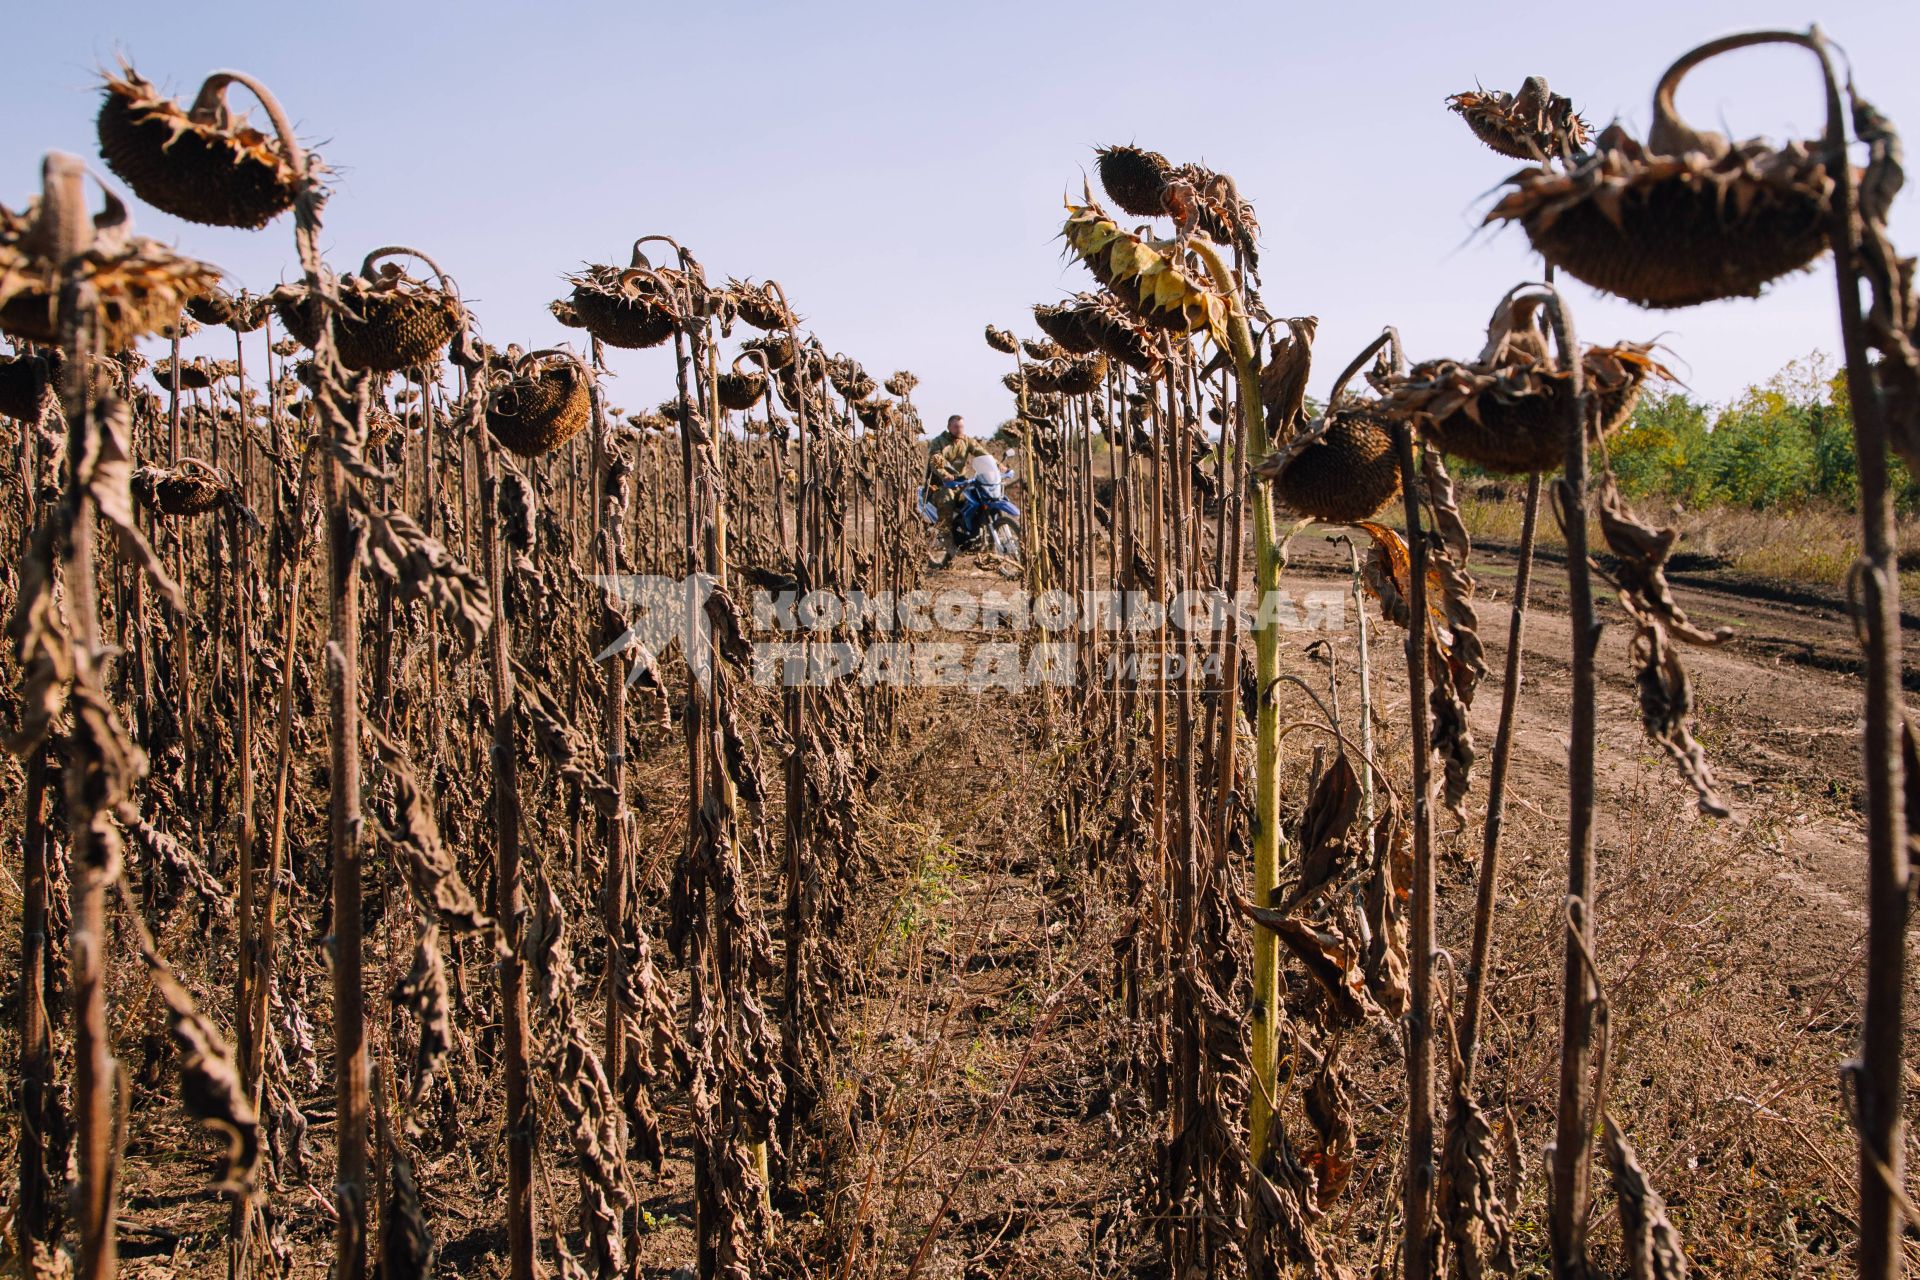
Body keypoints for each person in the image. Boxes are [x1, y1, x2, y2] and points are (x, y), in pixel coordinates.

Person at [925, 413, 982, 482]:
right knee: (949, 493)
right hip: (941, 482)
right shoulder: (938, 442)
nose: (959, 430)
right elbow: (936, 463)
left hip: (960, 481)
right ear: (949, 427)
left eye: (961, 427)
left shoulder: (967, 441)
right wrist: (945, 475)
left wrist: (996, 464)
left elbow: (982, 452)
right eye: (956, 427)